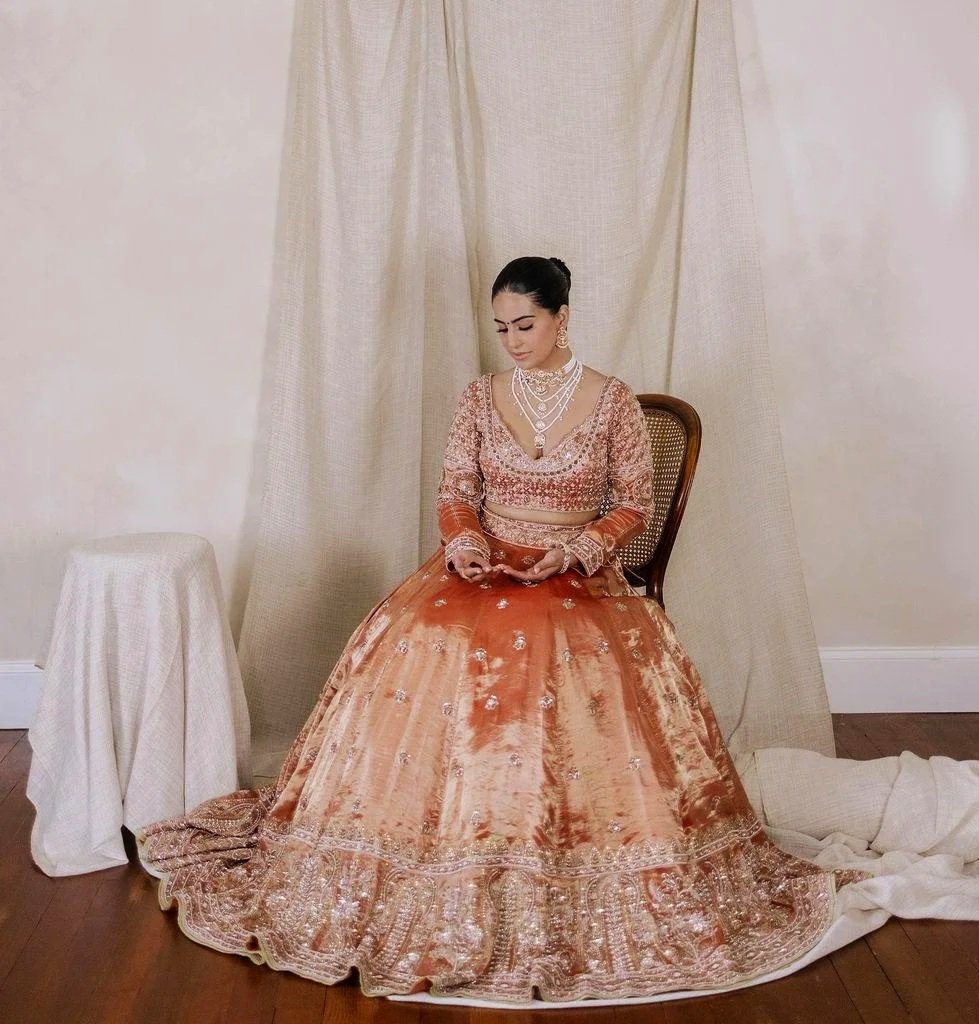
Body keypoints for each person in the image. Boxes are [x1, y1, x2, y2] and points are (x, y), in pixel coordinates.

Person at [136, 256, 866, 1003]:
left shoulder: (612, 400)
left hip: (575, 573)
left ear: (563, 318)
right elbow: (456, 490)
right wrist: (468, 543)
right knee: (426, 641)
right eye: (502, 328)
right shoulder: (480, 397)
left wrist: (574, 550)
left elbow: (634, 503)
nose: (512, 340)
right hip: (482, 571)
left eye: (526, 324)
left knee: (569, 660)